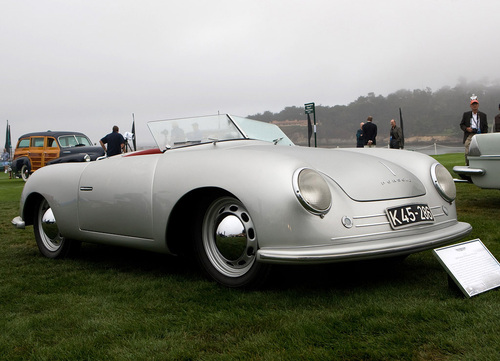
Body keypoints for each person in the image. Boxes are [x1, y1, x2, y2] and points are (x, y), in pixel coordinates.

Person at [460, 97, 488, 165]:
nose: (474, 106)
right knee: (467, 152)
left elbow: (485, 126)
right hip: (470, 135)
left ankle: (480, 164)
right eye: (473, 104)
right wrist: (467, 128)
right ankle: (468, 165)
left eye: (476, 104)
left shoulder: (483, 115)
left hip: (479, 135)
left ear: (478, 105)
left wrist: (484, 135)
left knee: (480, 151)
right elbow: (461, 125)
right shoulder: (466, 114)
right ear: (470, 106)